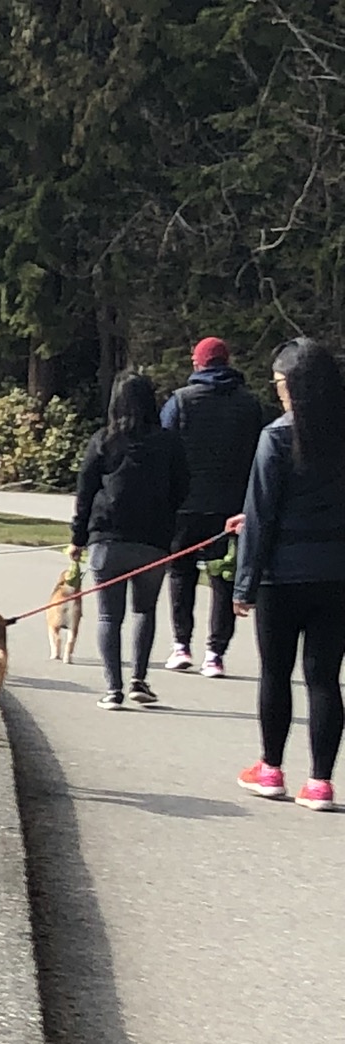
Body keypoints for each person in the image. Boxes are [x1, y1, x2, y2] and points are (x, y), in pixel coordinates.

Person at [233, 337, 345, 808]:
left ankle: (271, 768)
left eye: (279, 383)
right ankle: (320, 781)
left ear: (295, 387)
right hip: (337, 575)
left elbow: (260, 515)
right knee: (324, 679)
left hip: (283, 574)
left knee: (275, 673)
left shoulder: (277, 436)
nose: (276, 391)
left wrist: (245, 582)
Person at [69, 373, 191, 710]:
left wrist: (78, 537)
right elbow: (183, 487)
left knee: (109, 617)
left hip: (107, 539)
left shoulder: (103, 441)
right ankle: (139, 679)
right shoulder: (168, 442)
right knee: (144, 611)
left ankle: (113, 688)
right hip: (153, 540)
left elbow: (85, 492)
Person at [162, 337, 263, 678]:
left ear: (199, 364)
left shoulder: (181, 401)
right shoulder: (250, 405)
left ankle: (181, 645)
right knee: (222, 577)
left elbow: (165, 448)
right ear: (227, 361)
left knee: (181, 574)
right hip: (231, 508)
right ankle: (215, 654)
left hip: (185, 505)